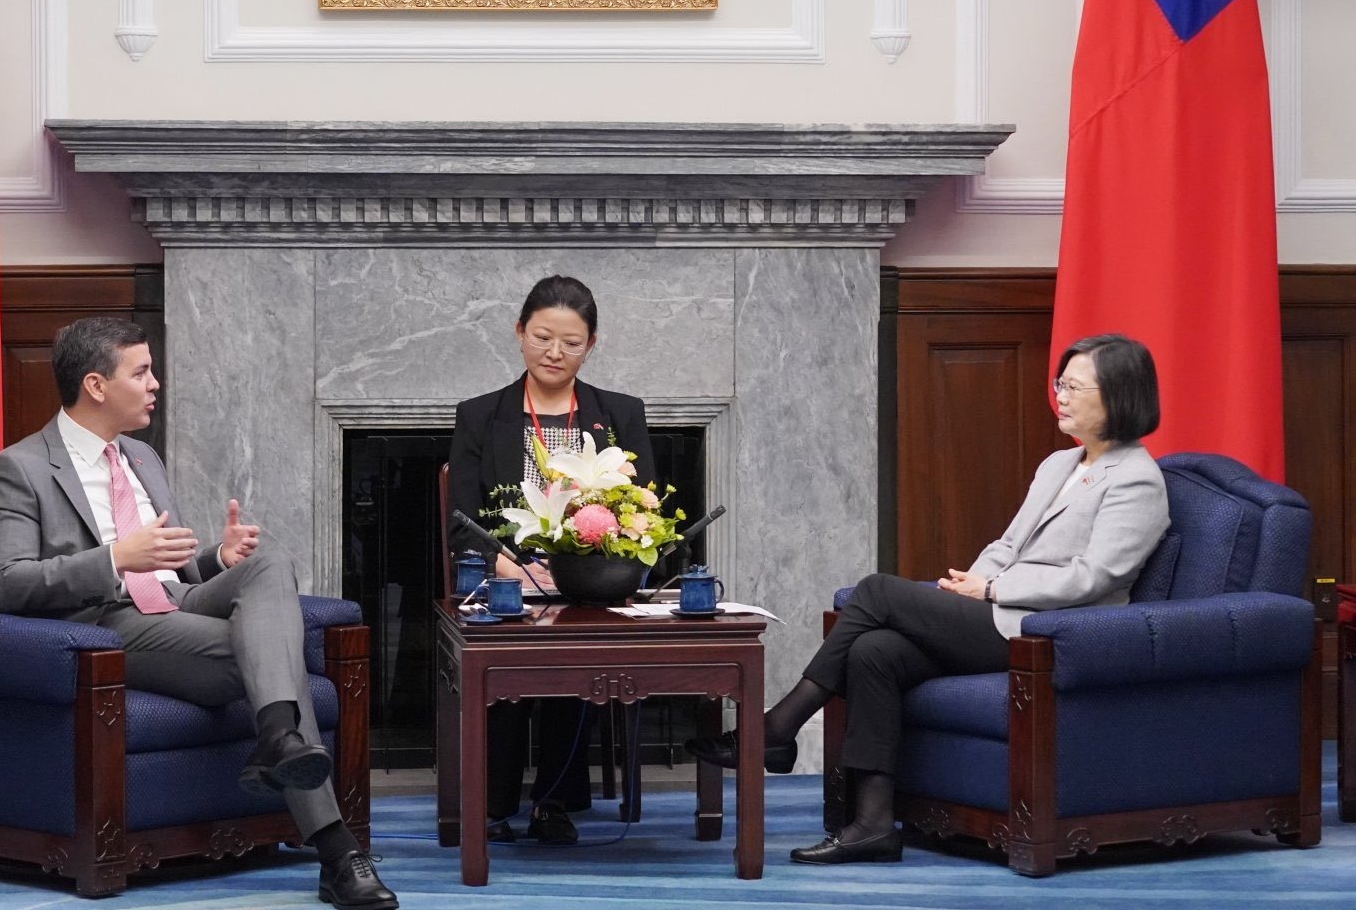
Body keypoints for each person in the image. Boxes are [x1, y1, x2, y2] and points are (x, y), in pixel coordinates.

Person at [686, 333, 1170, 864]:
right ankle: (872, 824)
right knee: (876, 653)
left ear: (1119, 394)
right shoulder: (1059, 465)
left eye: (1075, 386)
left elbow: (1093, 577)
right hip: (1000, 609)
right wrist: (972, 584)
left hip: (1053, 632)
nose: (1062, 395)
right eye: (1061, 383)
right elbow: (1008, 544)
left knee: (874, 591)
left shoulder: (1137, 481)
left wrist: (991, 590)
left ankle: (780, 724)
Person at [0, 318, 397, 910]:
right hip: (107, 624)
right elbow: (5, 584)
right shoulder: (17, 470)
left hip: (175, 603)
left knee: (265, 557)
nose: (156, 384)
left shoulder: (142, 456)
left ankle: (278, 736)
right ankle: (336, 851)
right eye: (141, 371)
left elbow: (170, 570)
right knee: (271, 654)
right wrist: (116, 558)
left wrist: (216, 559)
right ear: (95, 385)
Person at [448, 274, 655, 844]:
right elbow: (461, 521)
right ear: (519, 334)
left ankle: (553, 802)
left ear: (591, 345)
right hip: (507, 582)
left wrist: (596, 562)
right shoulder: (480, 416)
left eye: (570, 342)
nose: (554, 353)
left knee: (576, 657)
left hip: (589, 583)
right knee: (510, 652)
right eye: (542, 337)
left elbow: (646, 513)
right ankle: (492, 802)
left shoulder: (619, 415)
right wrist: (508, 566)